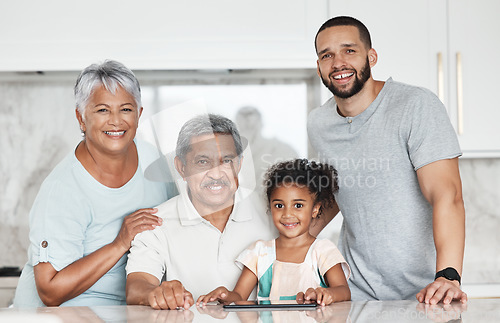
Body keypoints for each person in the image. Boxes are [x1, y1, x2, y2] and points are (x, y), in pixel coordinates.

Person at [308, 16, 467, 304]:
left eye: (349, 50)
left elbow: (447, 194)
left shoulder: (415, 106)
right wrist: (283, 241)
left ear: (371, 56)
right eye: (326, 55)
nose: (338, 62)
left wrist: (448, 275)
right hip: (354, 293)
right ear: (318, 66)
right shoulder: (318, 123)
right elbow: (338, 191)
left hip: (426, 293)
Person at [13, 60, 173, 307]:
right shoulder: (62, 189)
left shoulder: (153, 160)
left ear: (139, 114)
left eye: (126, 109)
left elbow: (175, 225)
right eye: (102, 110)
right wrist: (120, 242)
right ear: (81, 117)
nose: (116, 121)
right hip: (60, 314)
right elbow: (50, 291)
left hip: (123, 310)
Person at [125, 114, 276, 310]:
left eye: (227, 160)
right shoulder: (155, 222)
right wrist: (156, 293)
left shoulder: (275, 209)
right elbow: (136, 287)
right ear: (181, 167)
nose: (216, 174)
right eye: (203, 162)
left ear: (239, 164)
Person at [197, 159, 351, 306]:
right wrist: (225, 295)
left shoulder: (322, 250)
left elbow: (343, 291)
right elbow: (239, 297)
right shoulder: (259, 252)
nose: (287, 214)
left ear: (315, 209)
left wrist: (327, 294)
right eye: (279, 206)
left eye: (298, 205)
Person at [235, 106, 298, 188]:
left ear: (261, 125)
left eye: (252, 126)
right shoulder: (236, 157)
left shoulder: (282, 150)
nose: (249, 131)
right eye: (243, 127)